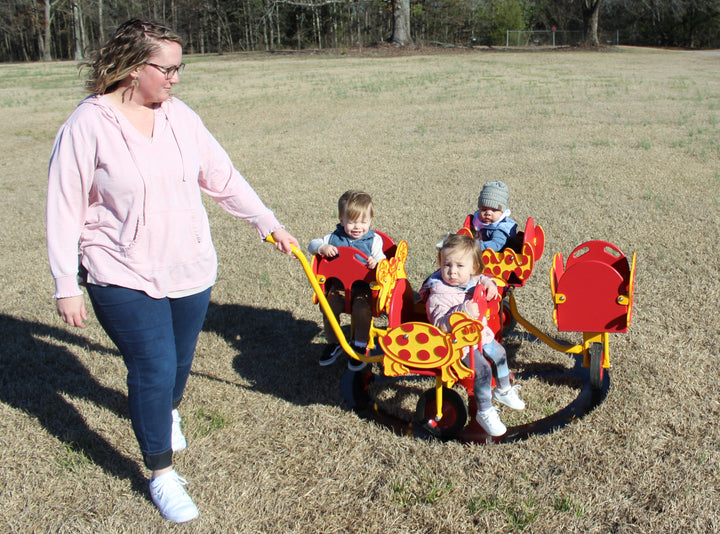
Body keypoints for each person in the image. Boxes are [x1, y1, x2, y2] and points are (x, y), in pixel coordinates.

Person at [46, 18, 298, 524]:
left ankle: (165, 410)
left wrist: (267, 224)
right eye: (168, 69)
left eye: (181, 68)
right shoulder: (89, 123)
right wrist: (64, 283)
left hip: (190, 264)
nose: (177, 78)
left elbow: (222, 177)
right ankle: (161, 474)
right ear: (135, 68)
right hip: (119, 268)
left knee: (179, 364)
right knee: (154, 365)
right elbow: (63, 204)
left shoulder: (182, 117)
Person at [420, 234, 524, 437]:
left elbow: (481, 278)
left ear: (473, 268)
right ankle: (484, 411)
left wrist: (489, 283)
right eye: (446, 264)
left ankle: (503, 390)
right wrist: (462, 310)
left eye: (459, 266)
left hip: (478, 335)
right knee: (483, 369)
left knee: (500, 352)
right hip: (458, 343)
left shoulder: (472, 279)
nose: (452, 271)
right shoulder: (439, 293)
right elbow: (439, 323)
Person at [307, 190, 386, 371]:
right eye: (351, 222)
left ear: (370, 220)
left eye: (363, 222)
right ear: (342, 221)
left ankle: (360, 344)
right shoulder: (334, 238)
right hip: (340, 287)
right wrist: (322, 247)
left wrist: (376, 262)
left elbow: (383, 260)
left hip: (362, 289)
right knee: (329, 306)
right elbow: (311, 245)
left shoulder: (374, 240)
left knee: (362, 309)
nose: (358, 227)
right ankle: (334, 342)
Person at [470, 180, 518, 252]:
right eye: (484, 209)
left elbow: (496, 245)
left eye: (494, 210)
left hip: (499, 259)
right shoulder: (478, 221)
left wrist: (477, 246)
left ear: (502, 212)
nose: (488, 213)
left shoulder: (500, 229)